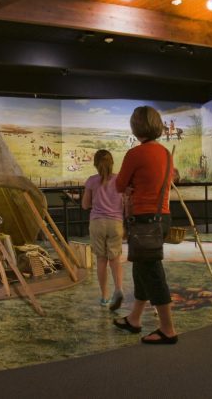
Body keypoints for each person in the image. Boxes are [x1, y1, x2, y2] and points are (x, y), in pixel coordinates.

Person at [112, 106, 178, 344]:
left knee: (151, 271)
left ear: (136, 126)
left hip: (144, 220)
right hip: (162, 217)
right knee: (141, 269)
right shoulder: (166, 154)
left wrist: (131, 186)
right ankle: (135, 318)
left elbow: (119, 185)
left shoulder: (135, 154)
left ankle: (168, 329)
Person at [82, 149, 124, 310]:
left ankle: (104, 296)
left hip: (97, 223)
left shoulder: (91, 181)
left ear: (95, 164)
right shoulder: (120, 179)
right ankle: (119, 289)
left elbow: (85, 205)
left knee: (101, 259)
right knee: (115, 259)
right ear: (112, 163)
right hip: (116, 223)